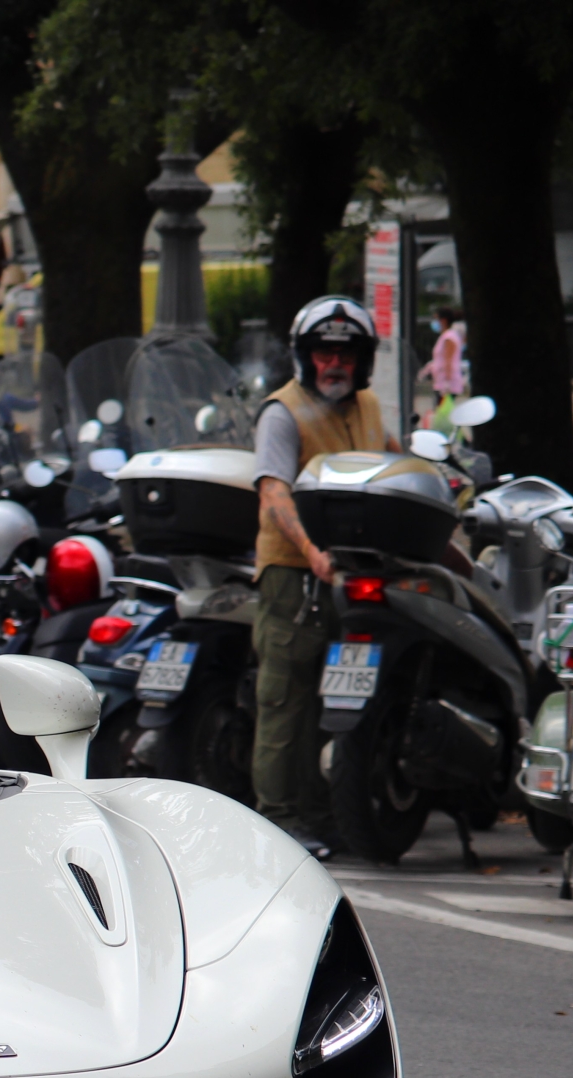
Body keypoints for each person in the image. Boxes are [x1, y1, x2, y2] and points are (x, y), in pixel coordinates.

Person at [250, 295, 402, 861]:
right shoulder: (281, 411)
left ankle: (321, 815)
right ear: (304, 355)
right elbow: (273, 490)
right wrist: (312, 551)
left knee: (333, 701)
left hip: (356, 574)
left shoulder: (367, 406)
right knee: (284, 699)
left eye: (344, 351)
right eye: (322, 351)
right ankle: (279, 820)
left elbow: (397, 463)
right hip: (296, 576)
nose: (332, 362)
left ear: (362, 358)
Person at [421, 305, 467, 427]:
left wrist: (446, 383)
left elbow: (448, 361)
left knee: (444, 415)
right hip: (442, 382)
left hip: (447, 384)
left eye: (437, 319)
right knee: (444, 415)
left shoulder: (449, 337)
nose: (435, 322)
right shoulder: (446, 336)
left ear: (444, 320)